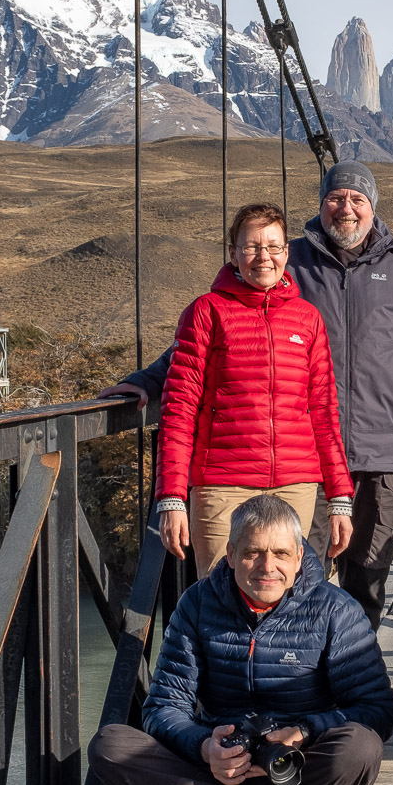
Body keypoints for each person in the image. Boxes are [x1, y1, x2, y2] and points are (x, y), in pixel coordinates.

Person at [100, 164, 393, 626]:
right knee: (304, 582)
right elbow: (216, 335)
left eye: (357, 199)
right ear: (321, 203)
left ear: (373, 206)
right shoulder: (290, 263)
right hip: (309, 466)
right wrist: (148, 381)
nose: (345, 208)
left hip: (381, 455)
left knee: (369, 577)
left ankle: (354, 678)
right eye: (335, 197)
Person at [87, 494, 393, 785]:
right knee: (109, 745)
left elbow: (379, 710)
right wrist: (203, 745)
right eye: (253, 553)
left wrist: (304, 730)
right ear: (231, 554)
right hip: (218, 764)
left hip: (295, 767)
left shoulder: (336, 610)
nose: (268, 567)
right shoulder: (197, 604)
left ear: (300, 556)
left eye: (281, 554)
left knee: (360, 750)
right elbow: (163, 706)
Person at [152, 203, 354, 576]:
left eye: (274, 247)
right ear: (233, 254)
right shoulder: (206, 312)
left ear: (286, 253)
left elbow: (324, 414)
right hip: (221, 486)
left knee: (293, 603)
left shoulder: (307, 318)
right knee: (220, 600)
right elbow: (179, 411)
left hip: (297, 486)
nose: (264, 257)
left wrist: (340, 499)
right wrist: (172, 499)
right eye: (251, 247)